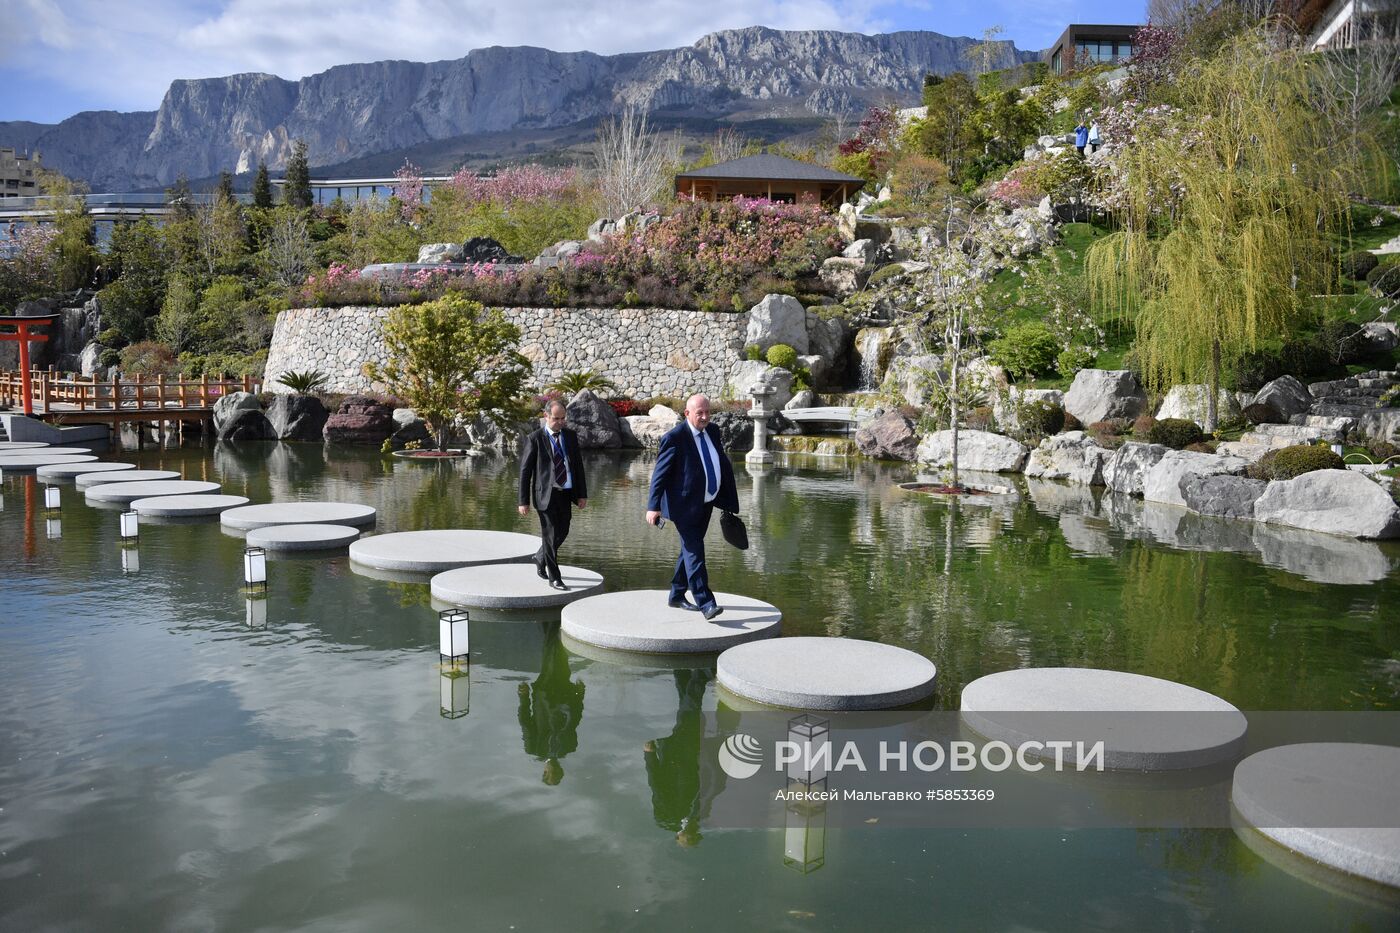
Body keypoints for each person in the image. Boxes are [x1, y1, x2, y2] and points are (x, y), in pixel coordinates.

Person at [645, 393, 739, 621]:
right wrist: (653, 506)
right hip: (683, 505)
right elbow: (660, 474)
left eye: (708, 411)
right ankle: (706, 602)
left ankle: (677, 594)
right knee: (695, 552)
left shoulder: (713, 431)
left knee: (688, 550)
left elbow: (718, 462)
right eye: (700, 413)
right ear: (687, 413)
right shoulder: (674, 438)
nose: (705, 417)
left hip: (706, 502)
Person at [518, 400, 587, 589]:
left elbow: (578, 467)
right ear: (545, 416)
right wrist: (523, 501)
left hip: (566, 492)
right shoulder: (535, 438)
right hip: (545, 495)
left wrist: (582, 494)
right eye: (556, 418)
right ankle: (554, 577)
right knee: (549, 535)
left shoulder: (570, 436)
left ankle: (540, 557)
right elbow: (525, 472)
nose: (561, 422)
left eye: (563, 418)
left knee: (563, 531)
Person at [518, 625, 586, 786]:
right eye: (558, 772)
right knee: (560, 660)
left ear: (545, 771)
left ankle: (552, 625)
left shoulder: (534, 748)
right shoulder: (570, 746)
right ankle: (555, 626)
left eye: (551, 773)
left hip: (544, 694)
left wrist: (524, 697)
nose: (555, 769)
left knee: (550, 656)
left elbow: (525, 721)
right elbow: (576, 718)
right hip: (564, 694)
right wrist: (580, 694)